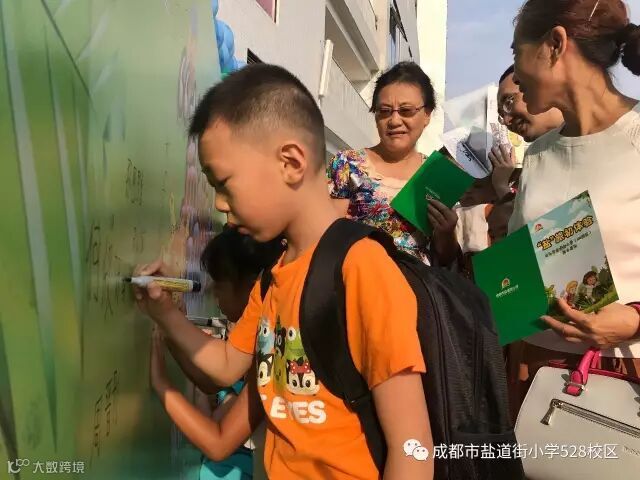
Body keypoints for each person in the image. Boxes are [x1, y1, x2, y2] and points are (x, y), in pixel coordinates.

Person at [136, 63, 434, 479]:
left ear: (291, 162)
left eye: (223, 183)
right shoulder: (275, 273)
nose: (219, 203)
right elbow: (227, 364)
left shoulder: (362, 267)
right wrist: (164, 312)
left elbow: (412, 448)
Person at [507, 0, 640, 413]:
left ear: (555, 44)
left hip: (627, 377)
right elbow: (516, 276)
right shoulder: (537, 155)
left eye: (516, 52)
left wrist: (635, 320)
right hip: (536, 376)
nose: (515, 74)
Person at [151, 227, 284, 480]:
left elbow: (218, 443)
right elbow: (213, 380)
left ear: (252, 288)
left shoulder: (273, 355)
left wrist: (162, 385)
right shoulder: (267, 342)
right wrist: (170, 327)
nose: (213, 291)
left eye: (220, 283)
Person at [327, 62, 458, 265]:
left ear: (427, 115)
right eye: (385, 111)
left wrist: (446, 231)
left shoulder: (436, 175)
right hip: (356, 280)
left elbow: (444, 258)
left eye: (406, 111)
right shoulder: (347, 164)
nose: (394, 120)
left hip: (415, 282)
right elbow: (327, 236)